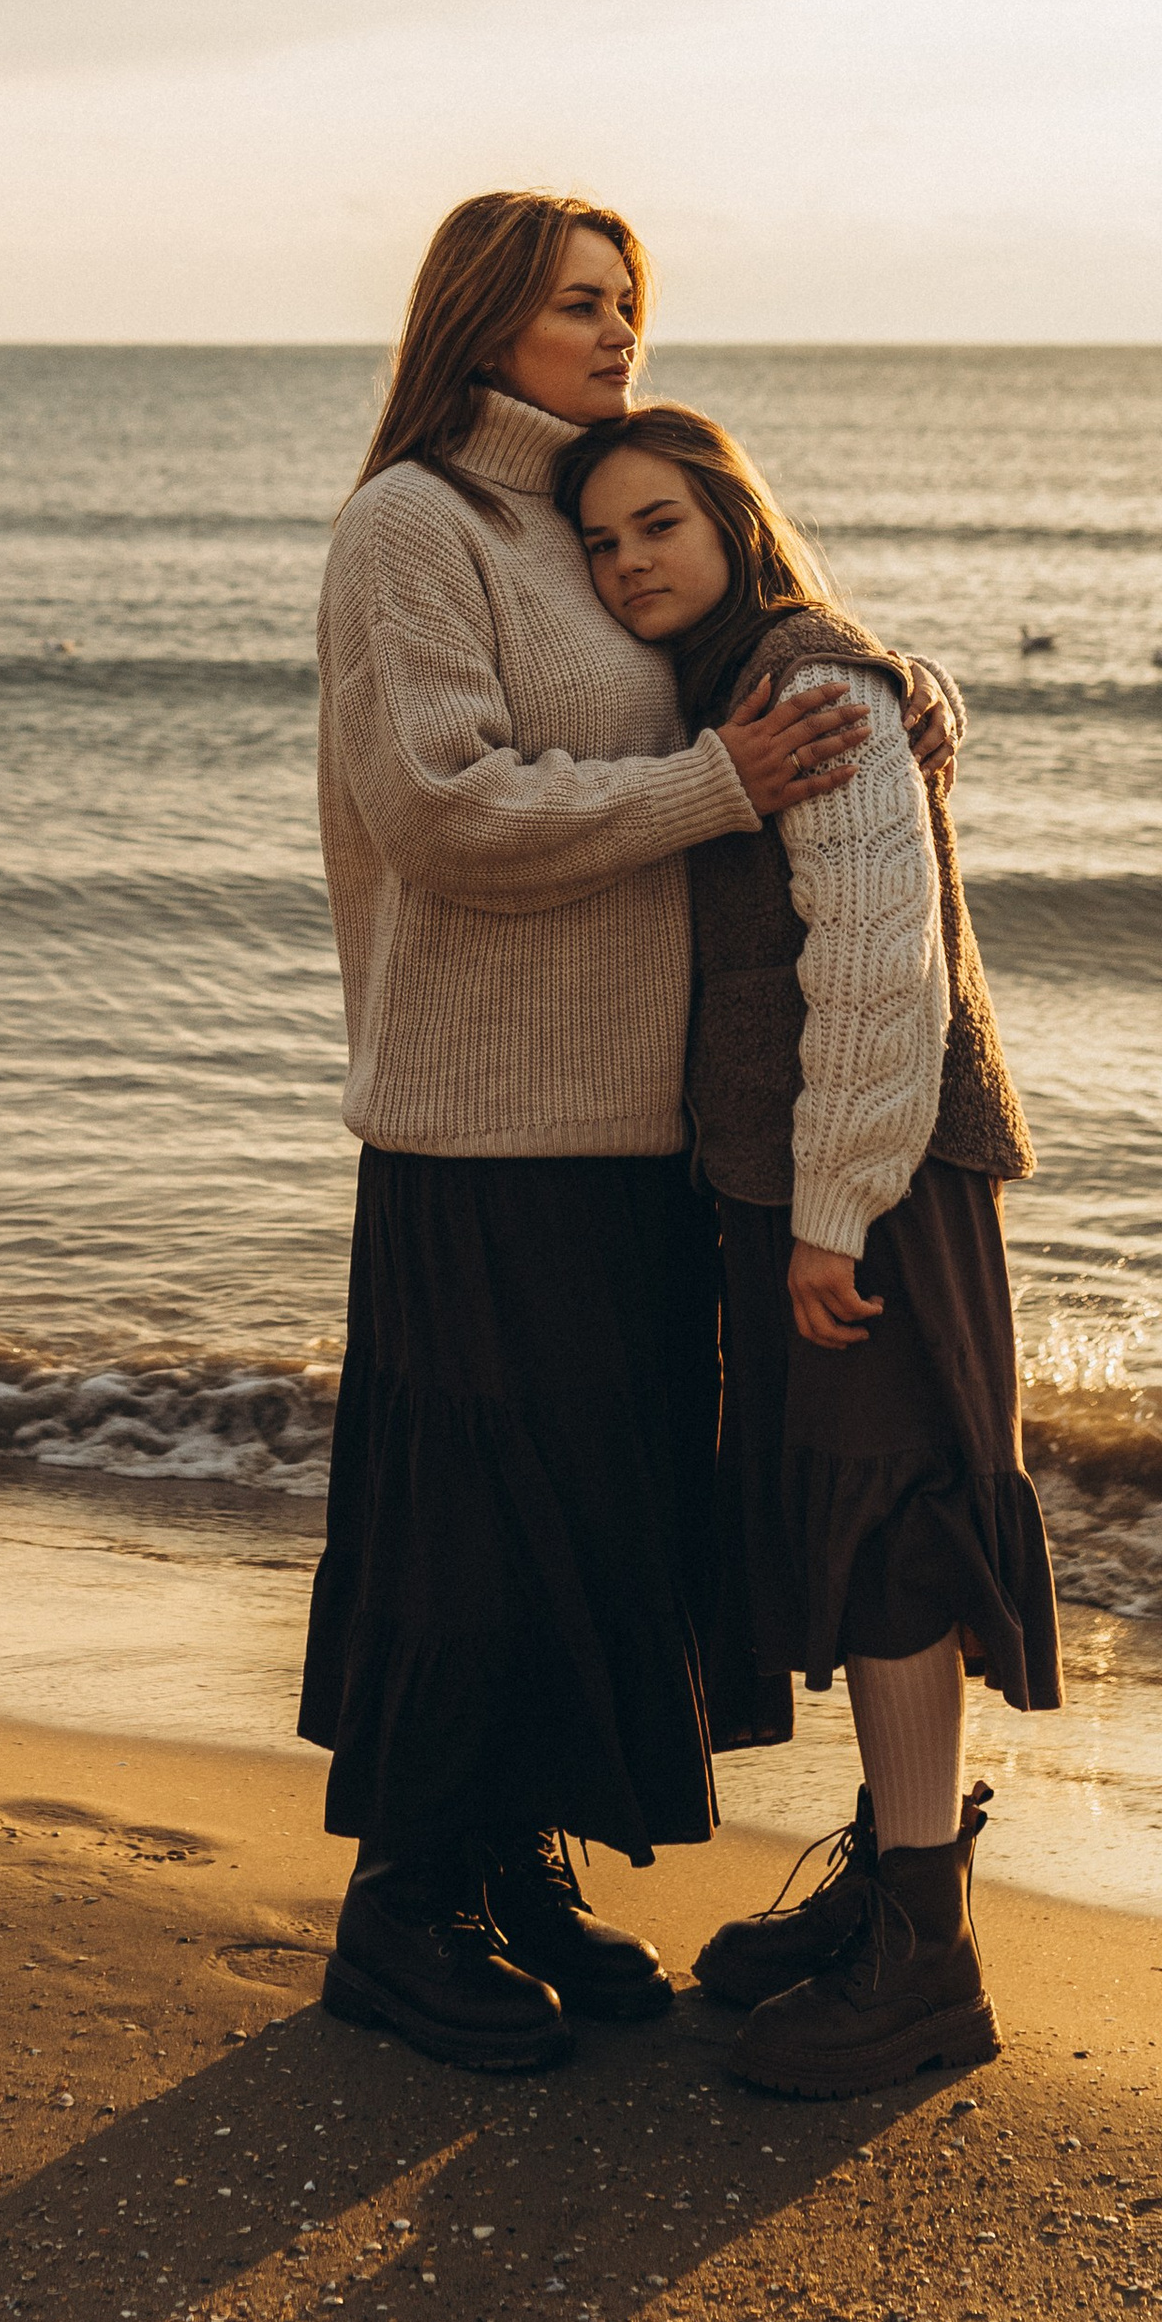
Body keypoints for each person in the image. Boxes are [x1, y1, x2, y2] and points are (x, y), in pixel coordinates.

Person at [298, 190, 909, 2075]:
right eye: (581, 305)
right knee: (474, 1527)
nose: (617, 334)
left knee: (591, 1514)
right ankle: (404, 1910)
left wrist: (895, 703)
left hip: (633, 1128)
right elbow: (450, 812)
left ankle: (514, 1863)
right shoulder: (413, 524)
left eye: (629, 306)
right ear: (486, 317)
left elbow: (755, 657)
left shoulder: (581, 520)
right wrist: (716, 784)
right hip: (479, 1123)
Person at [558, 400, 1060, 2098]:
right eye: (603, 542)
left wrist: (832, 1209)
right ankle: (893, 1895)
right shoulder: (762, 683)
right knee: (862, 1539)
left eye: (658, 529)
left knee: (895, 1537)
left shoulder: (802, 681)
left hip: (881, 1186)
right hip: (825, 1184)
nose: (628, 564)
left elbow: (876, 969)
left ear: (734, 525)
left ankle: (928, 1967)